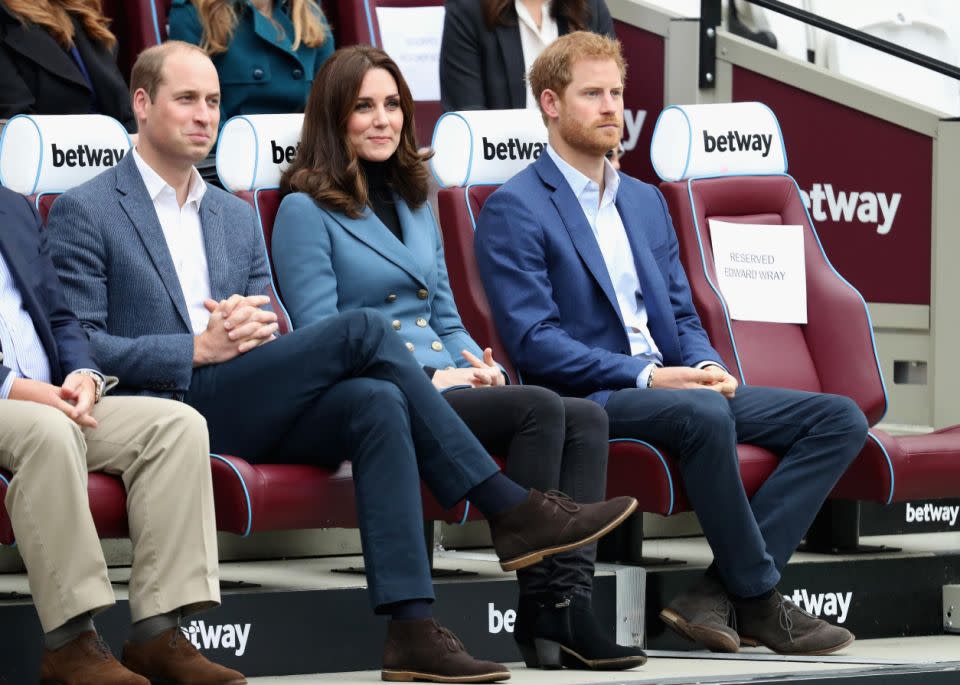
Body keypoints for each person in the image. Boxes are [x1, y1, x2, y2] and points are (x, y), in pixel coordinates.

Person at [46, 40, 637, 683]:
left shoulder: (232, 214)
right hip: (169, 406)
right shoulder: (90, 207)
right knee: (360, 331)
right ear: (141, 103)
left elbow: (273, 317)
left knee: (376, 400)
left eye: (213, 101)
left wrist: (252, 330)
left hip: (252, 390)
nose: (203, 116)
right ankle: (509, 508)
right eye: (186, 100)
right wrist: (195, 347)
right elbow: (75, 343)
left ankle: (411, 630)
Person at [474, 31, 871, 657]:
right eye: (592, 95)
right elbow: (536, 343)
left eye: (617, 93)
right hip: (593, 396)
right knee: (702, 408)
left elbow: (680, 315)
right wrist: (651, 378)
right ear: (549, 103)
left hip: (676, 386)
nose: (611, 108)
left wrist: (706, 363)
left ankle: (718, 590)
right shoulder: (514, 207)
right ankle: (762, 602)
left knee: (839, 418)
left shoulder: (644, 201)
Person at [271, 44, 647, 672]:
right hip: (383, 392)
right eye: (363, 107)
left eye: (392, 104)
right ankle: (534, 573)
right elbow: (323, 338)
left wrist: (478, 361)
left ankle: (565, 609)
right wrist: (433, 374)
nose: (383, 119)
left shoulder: (421, 198)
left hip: (447, 382)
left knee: (581, 415)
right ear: (334, 120)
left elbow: (443, 314)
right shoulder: (304, 211)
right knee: (537, 409)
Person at [0, 185, 243, 685]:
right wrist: (19, 390)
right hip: (18, 403)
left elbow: (62, 316)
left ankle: (158, 632)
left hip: (56, 398)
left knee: (175, 426)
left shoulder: (11, 205)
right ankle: (71, 643)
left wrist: (84, 376)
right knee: (48, 432)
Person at [168, 0, 335, 122]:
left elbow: (329, 102)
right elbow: (197, 110)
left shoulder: (310, 15)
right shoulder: (195, 13)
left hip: (301, 152)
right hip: (233, 155)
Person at [440, 0, 614, 112]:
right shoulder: (468, 9)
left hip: (576, 162)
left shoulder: (591, 7)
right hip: (500, 162)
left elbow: (608, 97)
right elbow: (467, 113)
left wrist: (607, 152)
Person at [0, 0, 135, 130]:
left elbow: (125, 115)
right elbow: (18, 127)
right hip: (52, 150)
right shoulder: (6, 20)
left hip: (117, 148)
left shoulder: (81, 14)